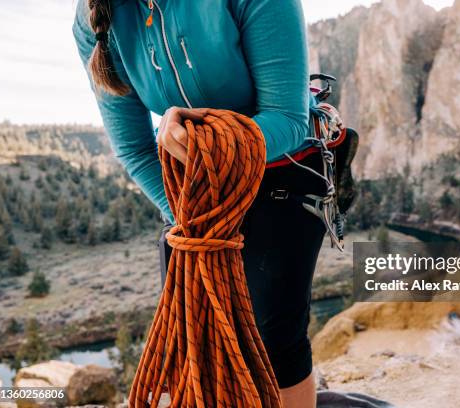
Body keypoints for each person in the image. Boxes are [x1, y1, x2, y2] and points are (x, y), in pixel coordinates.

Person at [73, 1, 325, 406]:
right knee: (192, 337)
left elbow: (288, 119)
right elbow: (135, 148)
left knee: (274, 338)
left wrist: (212, 148)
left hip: (280, 168)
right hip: (193, 194)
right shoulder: (94, 19)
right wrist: (194, 222)